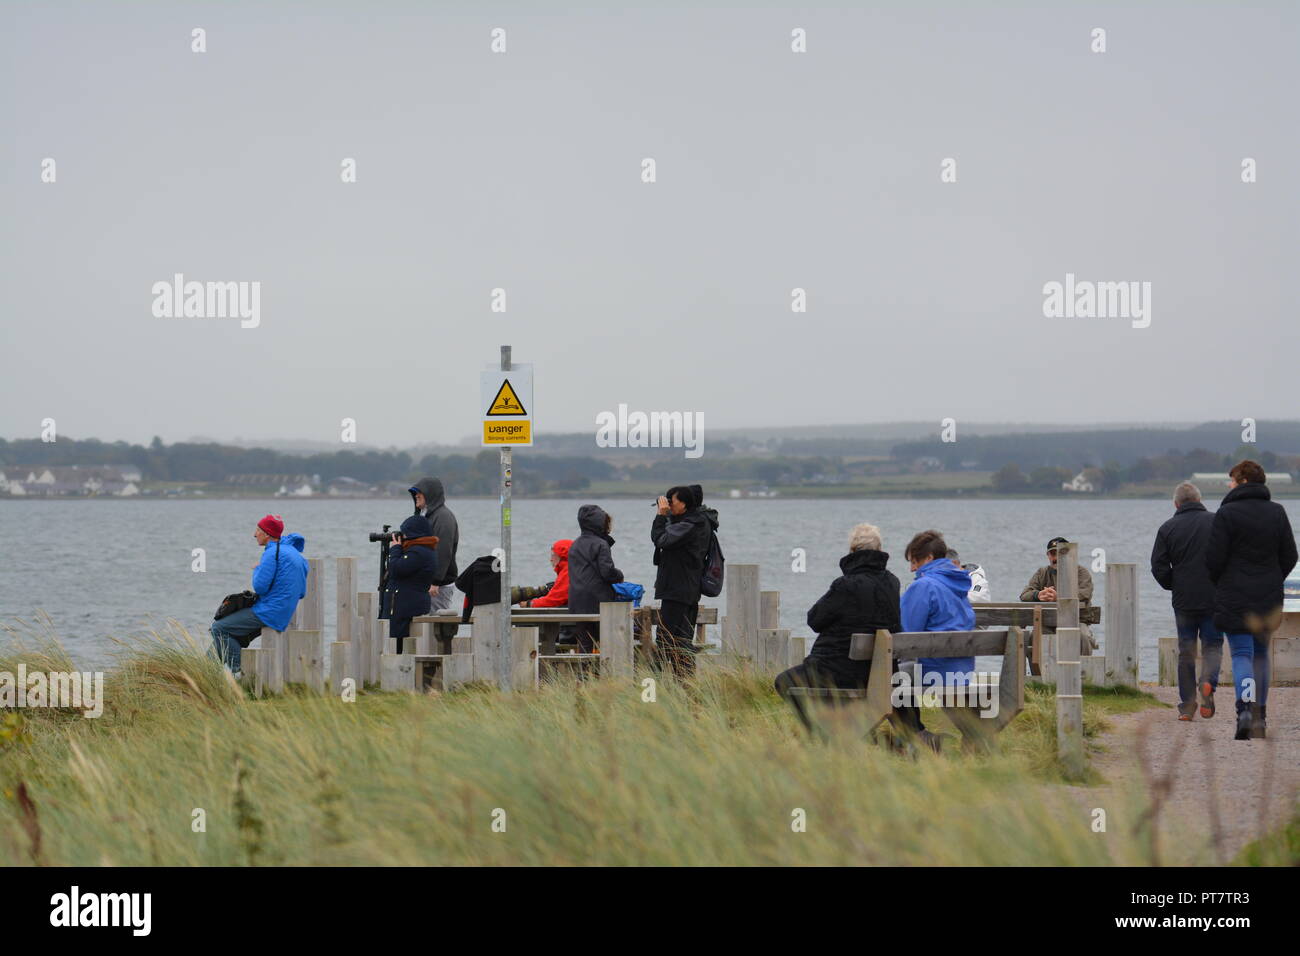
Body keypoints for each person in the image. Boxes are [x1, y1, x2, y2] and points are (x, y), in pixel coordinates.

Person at [774, 522, 902, 732]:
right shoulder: (893, 582)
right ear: (880, 550)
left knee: (784, 682)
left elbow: (814, 620)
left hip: (837, 671)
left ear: (852, 551)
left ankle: (819, 732)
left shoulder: (846, 585)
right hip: (877, 671)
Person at [1204, 460, 1297, 740]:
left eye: (1231, 480)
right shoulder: (1277, 512)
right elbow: (1290, 555)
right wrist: (1272, 577)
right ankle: (1260, 716)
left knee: (1242, 654)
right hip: (1267, 596)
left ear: (1243, 481)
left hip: (1234, 595)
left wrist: (1223, 580)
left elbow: (1213, 559)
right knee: (1260, 656)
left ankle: (1244, 710)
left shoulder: (1226, 514)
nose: (1229, 485)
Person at [1150, 481, 1223, 721]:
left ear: (1176, 503)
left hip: (1184, 600)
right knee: (1212, 645)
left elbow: (1158, 567)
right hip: (1214, 597)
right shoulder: (1218, 523)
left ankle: (1187, 705)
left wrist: (1175, 583)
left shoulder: (1167, 528)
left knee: (1186, 651)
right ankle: (1207, 683)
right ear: (1200, 500)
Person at [900, 530, 976, 752]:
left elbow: (906, 633)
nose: (912, 568)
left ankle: (915, 739)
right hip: (962, 670)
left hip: (933, 671)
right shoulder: (960, 585)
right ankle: (920, 738)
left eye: (914, 561)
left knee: (885, 679)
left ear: (929, 558)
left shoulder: (924, 586)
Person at [210, 515, 309, 675]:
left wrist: (259, 568)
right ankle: (202, 672)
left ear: (267, 534)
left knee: (219, 628)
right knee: (230, 636)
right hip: (284, 612)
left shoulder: (271, 554)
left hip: (270, 613)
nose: (254, 534)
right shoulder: (295, 553)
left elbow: (260, 587)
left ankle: (241, 674)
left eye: (258, 530)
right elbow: (302, 592)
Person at [650, 485, 716, 677]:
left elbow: (661, 539)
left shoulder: (690, 525)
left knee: (666, 638)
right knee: (681, 639)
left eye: (672, 501)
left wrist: (661, 516)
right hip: (686, 588)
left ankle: (661, 680)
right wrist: (668, 515)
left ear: (685, 504)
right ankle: (684, 682)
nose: (668, 505)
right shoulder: (695, 521)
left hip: (678, 589)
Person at [1020, 536, 1096, 652]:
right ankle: (1039, 670)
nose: (1055, 558)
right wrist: (1038, 595)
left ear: (1069, 555)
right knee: (1033, 638)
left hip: (1077, 621)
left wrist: (1058, 597)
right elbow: (1024, 595)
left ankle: (1085, 669)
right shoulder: (1042, 573)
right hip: (1049, 623)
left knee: (1083, 637)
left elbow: (1085, 594)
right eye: (1052, 553)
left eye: (1060, 554)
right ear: (1048, 556)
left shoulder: (1081, 572)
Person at [566, 505, 625, 652]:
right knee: (607, 642)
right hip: (598, 601)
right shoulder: (600, 544)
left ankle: (583, 674)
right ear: (600, 524)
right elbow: (607, 572)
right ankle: (604, 674)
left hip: (577, 601)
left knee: (585, 644)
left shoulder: (575, 544)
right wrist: (619, 575)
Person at [383, 515, 439, 646]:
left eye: (404, 534)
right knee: (402, 645)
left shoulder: (418, 553)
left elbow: (396, 569)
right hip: (409, 605)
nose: (402, 537)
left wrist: (395, 548)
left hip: (406, 608)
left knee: (399, 647)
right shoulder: (425, 551)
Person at [409, 478, 460, 612]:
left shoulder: (443, 517)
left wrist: (435, 581)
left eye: (420, 492)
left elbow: (443, 551)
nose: (416, 495)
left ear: (430, 494)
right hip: (427, 583)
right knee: (425, 626)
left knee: (434, 627)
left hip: (438, 586)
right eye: (415, 493)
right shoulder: (428, 516)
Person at [519, 540, 573, 608]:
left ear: (562, 556)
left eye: (553, 555)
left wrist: (529, 604)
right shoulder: (573, 569)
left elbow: (553, 600)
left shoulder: (567, 572)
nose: (551, 559)